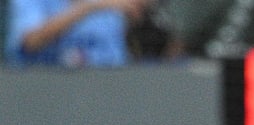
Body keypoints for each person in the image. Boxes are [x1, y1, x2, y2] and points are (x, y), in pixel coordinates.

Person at [5, 0, 152, 68]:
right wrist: (89, 7)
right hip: (41, 99)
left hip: (102, 99)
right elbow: (31, 41)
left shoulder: (112, 9)